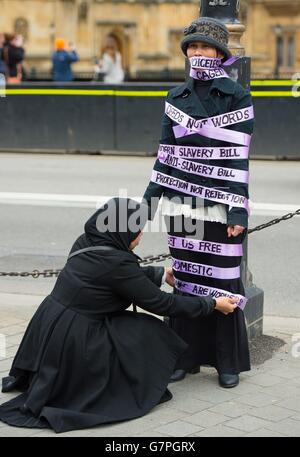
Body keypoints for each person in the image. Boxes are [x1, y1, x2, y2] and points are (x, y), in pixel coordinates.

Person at [0, 198, 237, 433]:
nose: (141, 234)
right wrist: (213, 304)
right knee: (148, 331)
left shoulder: (88, 241)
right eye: (137, 229)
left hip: (51, 323)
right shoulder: (116, 264)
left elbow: (112, 278)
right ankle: (125, 384)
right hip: (78, 337)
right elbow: (163, 303)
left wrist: (159, 274)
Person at [143, 17, 254, 388]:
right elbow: (165, 154)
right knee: (187, 279)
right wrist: (148, 204)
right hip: (181, 200)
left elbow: (239, 158)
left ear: (220, 53)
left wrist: (238, 208)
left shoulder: (237, 97)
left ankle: (227, 362)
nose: (197, 52)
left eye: (205, 47)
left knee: (224, 281)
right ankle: (184, 356)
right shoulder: (176, 97)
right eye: (192, 47)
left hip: (221, 202)